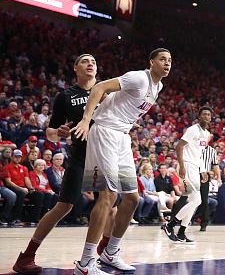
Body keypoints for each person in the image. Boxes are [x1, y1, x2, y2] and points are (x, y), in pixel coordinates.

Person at [12, 54, 117, 274]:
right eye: (85, 61)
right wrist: (57, 133)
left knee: (112, 208)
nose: (91, 64)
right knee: (64, 206)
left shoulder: (107, 90)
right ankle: (27, 256)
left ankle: (105, 251)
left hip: (105, 155)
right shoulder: (66, 96)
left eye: (94, 62)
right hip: (80, 156)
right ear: (75, 67)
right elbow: (50, 132)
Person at [70, 48, 171, 275]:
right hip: (105, 131)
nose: (167, 63)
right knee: (108, 195)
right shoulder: (137, 77)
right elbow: (99, 87)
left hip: (122, 136)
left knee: (132, 199)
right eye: (163, 59)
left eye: (170, 60)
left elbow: (128, 105)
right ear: (151, 61)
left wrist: (128, 121)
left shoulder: (159, 86)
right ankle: (86, 263)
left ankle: (110, 252)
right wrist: (86, 120)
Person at [163, 106, 216, 241]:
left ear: (211, 118)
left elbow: (200, 153)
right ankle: (170, 225)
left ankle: (181, 232)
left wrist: (203, 169)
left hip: (196, 167)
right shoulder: (193, 129)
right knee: (197, 200)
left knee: (193, 201)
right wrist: (181, 165)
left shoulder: (206, 134)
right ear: (199, 116)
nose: (206, 116)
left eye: (208, 115)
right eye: (204, 114)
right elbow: (179, 146)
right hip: (186, 165)